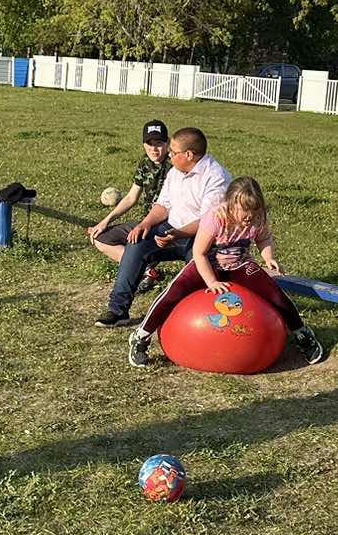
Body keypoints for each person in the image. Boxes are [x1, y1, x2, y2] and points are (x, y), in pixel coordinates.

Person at [127, 177, 324, 367]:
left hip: (238, 264)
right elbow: (199, 252)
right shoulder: (216, 217)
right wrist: (211, 282)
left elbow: (263, 239)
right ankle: (141, 337)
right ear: (230, 204)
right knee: (173, 292)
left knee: (275, 294)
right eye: (244, 211)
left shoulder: (259, 217)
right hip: (207, 264)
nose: (249, 217)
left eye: (254, 212)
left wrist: (268, 257)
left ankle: (302, 334)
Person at [95, 126, 230, 327]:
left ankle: (195, 317)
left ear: (189, 155)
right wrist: (145, 224)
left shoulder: (216, 177)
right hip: (171, 228)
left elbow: (207, 221)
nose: (170, 156)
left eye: (174, 152)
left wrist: (177, 234)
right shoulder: (176, 171)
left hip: (204, 237)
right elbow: (163, 205)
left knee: (197, 267)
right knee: (136, 243)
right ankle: (118, 310)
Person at [88, 120, 173, 294]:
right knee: (99, 238)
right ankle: (147, 271)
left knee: (137, 246)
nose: (154, 149)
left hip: (166, 224)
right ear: (143, 144)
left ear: (168, 143)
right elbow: (131, 197)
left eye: (159, 143)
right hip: (144, 224)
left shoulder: (175, 165)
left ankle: (139, 267)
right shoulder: (145, 163)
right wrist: (104, 221)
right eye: (150, 144)